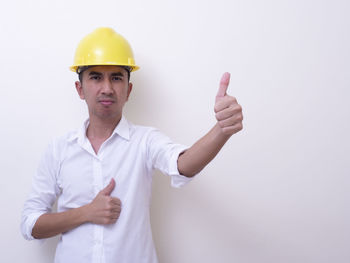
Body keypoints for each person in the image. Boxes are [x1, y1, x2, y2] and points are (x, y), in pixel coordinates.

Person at [21, 27, 243, 263]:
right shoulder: (58, 149)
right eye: (95, 77)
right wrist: (86, 213)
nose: (107, 88)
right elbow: (30, 224)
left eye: (116, 77)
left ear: (128, 90)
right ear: (80, 89)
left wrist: (221, 130)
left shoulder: (145, 142)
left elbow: (183, 164)